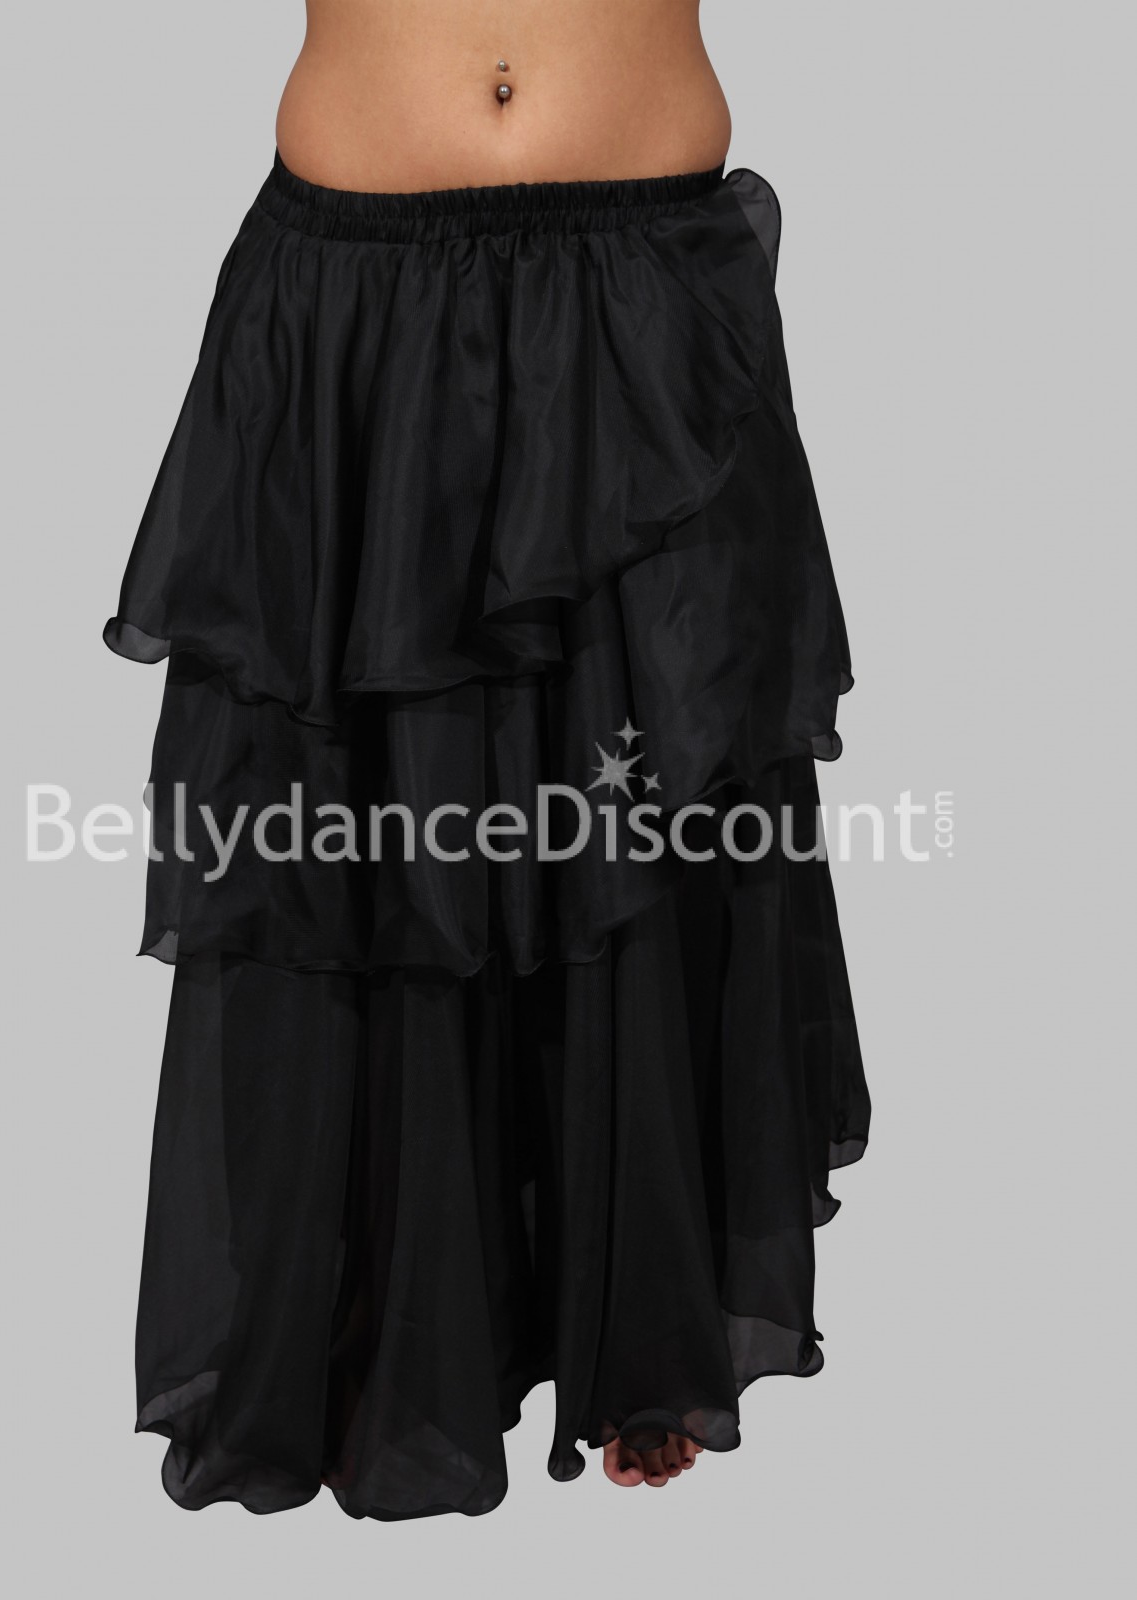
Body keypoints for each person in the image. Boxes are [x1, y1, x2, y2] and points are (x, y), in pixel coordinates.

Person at [105, 0, 870, 1519]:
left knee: (651, 818)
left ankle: (638, 1329)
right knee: (357, 826)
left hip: (642, 294)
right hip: (350, 304)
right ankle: (377, 1336)